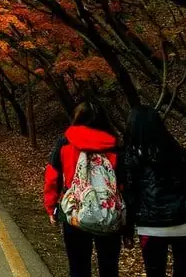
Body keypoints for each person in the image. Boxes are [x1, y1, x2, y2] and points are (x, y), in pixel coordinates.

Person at [123, 106, 186, 277]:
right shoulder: (177, 151)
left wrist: (127, 229)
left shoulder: (131, 157)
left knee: (155, 273)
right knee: (183, 272)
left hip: (151, 226)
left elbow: (130, 196)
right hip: (185, 222)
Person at [43, 101, 126, 277]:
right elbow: (122, 184)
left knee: (78, 266)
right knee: (109, 267)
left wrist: (51, 207)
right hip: (108, 212)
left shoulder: (65, 143)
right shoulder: (115, 146)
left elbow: (52, 176)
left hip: (75, 212)